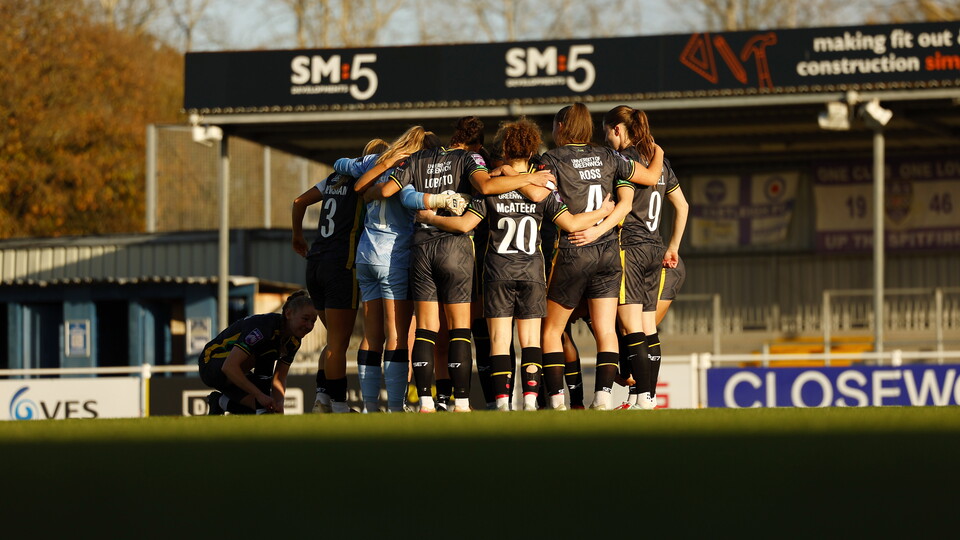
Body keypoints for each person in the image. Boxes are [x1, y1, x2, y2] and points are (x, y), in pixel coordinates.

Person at [416, 117, 615, 411]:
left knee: (499, 340)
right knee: (531, 340)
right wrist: (602, 212)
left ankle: (502, 404)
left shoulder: (492, 187)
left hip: (497, 271)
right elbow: (571, 223)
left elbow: (464, 224)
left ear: (504, 149)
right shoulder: (545, 186)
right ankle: (532, 402)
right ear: (533, 148)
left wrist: (430, 218)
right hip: (532, 271)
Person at [366, 116, 555, 412]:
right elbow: (497, 189)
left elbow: (387, 192)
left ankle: (428, 401)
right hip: (473, 254)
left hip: (429, 249)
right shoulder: (473, 161)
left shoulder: (420, 160)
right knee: (464, 331)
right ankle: (470, 402)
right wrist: (528, 177)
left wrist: (375, 193)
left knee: (429, 330)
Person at [538, 102, 663, 410]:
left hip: (572, 249)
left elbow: (555, 211)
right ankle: (603, 397)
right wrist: (658, 150)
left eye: (555, 125)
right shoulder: (610, 156)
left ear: (563, 128)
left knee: (552, 330)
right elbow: (648, 177)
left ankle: (556, 401)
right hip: (608, 253)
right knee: (606, 330)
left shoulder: (551, 159)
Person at [333, 127, 435, 412]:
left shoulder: (374, 162)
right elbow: (409, 198)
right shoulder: (413, 167)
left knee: (371, 334)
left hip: (366, 256)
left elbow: (341, 164)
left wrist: (380, 163)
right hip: (393, 257)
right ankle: (394, 405)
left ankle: (368, 405)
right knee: (397, 334)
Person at [600, 105, 687, 410]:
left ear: (617, 130)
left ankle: (643, 397)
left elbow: (621, 205)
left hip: (631, 249)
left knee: (628, 327)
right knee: (648, 326)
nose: (607, 139)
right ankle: (643, 397)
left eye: (606, 133)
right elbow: (683, 206)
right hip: (656, 247)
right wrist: (673, 246)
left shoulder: (622, 160)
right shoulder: (658, 161)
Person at [292, 140, 384, 413]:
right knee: (338, 343)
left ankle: (322, 400)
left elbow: (299, 202)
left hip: (315, 262)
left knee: (334, 338)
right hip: (340, 264)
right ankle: (341, 407)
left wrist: (297, 235)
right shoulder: (364, 180)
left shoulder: (335, 177)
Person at [200, 290, 318, 415]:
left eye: (313, 321)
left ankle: (219, 401)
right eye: (305, 319)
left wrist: (279, 404)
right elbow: (229, 367)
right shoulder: (264, 329)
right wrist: (259, 395)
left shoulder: (294, 341)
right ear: (288, 313)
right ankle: (229, 401)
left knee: (263, 410)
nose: (309, 326)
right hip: (211, 364)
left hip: (235, 370)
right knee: (267, 353)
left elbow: (279, 378)